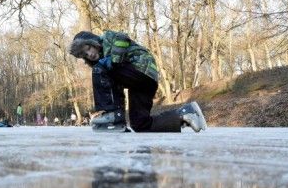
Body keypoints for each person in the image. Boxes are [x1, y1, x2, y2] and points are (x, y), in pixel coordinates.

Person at [68, 30, 207, 132]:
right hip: (144, 83)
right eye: (84, 55)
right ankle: (185, 113)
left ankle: (112, 115)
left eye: (88, 48)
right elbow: (116, 90)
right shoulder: (107, 67)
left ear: (93, 42)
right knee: (140, 124)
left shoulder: (107, 38)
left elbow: (122, 37)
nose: (90, 54)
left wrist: (113, 60)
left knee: (100, 68)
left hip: (141, 69)